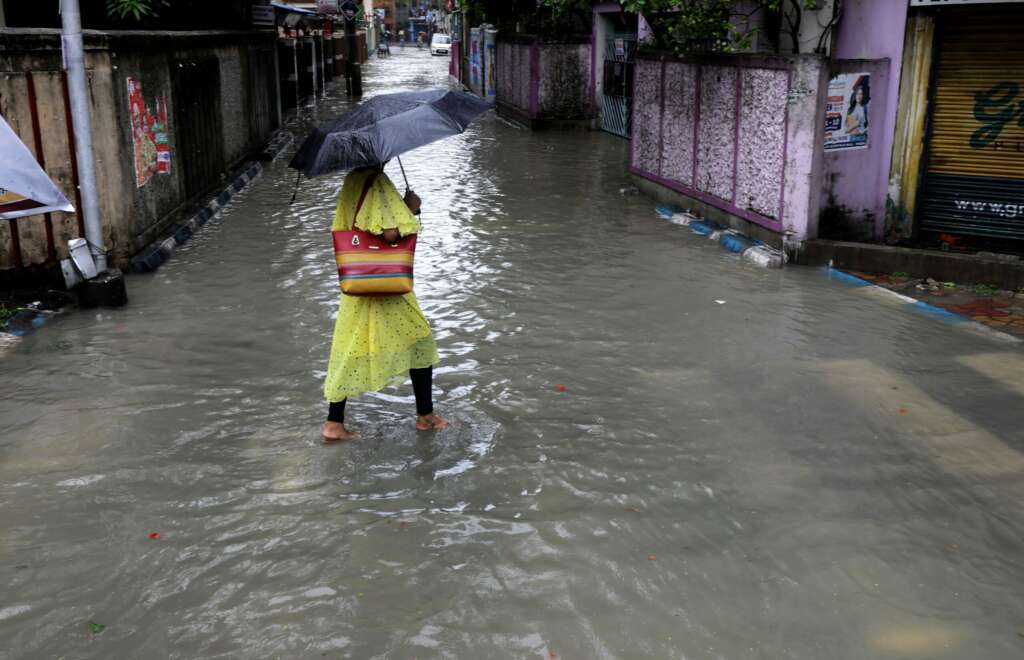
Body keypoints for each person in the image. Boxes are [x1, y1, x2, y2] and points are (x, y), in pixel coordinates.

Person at [322, 165, 448, 442]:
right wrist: (409, 208)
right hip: (385, 284)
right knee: (420, 342)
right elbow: (390, 233)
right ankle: (425, 416)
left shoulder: (352, 179)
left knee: (350, 348)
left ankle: (334, 422)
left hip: (358, 283)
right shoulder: (377, 181)